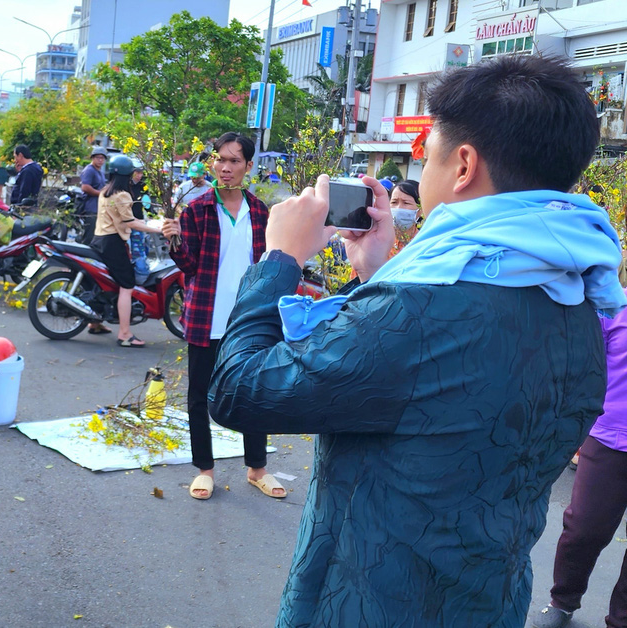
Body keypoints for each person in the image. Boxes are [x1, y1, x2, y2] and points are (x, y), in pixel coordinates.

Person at [207, 55, 624, 627]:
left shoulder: (417, 312)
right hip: (488, 600)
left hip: (374, 604)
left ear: (463, 166)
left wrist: (279, 257)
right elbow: (435, 393)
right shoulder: (581, 299)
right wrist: (376, 277)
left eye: (424, 158)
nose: (420, 175)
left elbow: (239, 390)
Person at [161, 132, 283, 501]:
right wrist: (174, 238)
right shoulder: (197, 209)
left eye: (234, 161)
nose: (225, 168)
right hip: (206, 316)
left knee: (253, 393)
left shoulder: (260, 211)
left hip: (248, 320)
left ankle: (257, 467)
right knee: (199, 394)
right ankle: (205, 469)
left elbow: (266, 265)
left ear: (248, 166)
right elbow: (189, 266)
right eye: (220, 159)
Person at [534, 260, 627, 628]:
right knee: (584, 529)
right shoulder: (615, 308)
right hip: (608, 437)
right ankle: (563, 600)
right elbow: (584, 370)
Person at [88, 154, 162, 347]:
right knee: (127, 285)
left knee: (104, 280)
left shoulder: (105, 191)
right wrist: (157, 228)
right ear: (126, 175)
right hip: (113, 242)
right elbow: (131, 223)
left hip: (99, 239)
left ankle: (95, 322)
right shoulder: (122, 195)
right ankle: (125, 333)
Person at [78, 147, 108, 245]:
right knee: (89, 236)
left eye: (102, 158)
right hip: (90, 208)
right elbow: (85, 187)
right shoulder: (89, 170)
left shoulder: (100, 171)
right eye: (98, 158)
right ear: (93, 158)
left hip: (98, 207)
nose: (100, 160)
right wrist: (101, 194)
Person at [389, 179, 422, 253]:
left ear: (420, 210)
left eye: (406, 203)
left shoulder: (423, 242)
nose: (399, 208)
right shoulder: (381, 239)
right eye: (394, 202)